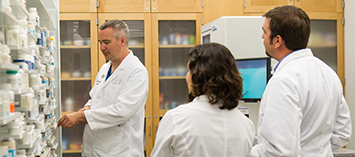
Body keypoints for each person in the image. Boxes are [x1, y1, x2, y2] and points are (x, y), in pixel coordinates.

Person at [251, 5, 352, 157]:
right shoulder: (329, 74)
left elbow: (280, 152)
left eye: (265, 32)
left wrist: (247, 150)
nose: (262, 37)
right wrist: (315, 150)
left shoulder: (284, 80)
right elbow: (343, 133)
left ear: (278, 40)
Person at [57, 19, 149, 157]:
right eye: (100, 43)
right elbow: (95, 96)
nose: (101, 48)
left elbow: (122, 111)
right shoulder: (105, 68)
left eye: (106, 42)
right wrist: (88, 107)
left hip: (119, 151)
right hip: (94, 148)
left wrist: (82, 116)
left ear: (122, 41)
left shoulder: (137, 71)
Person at [151, 43, 255, 157]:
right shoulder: (246, 125)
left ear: (198, 76)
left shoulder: (176, 119)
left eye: (189, 71)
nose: (187, 76)